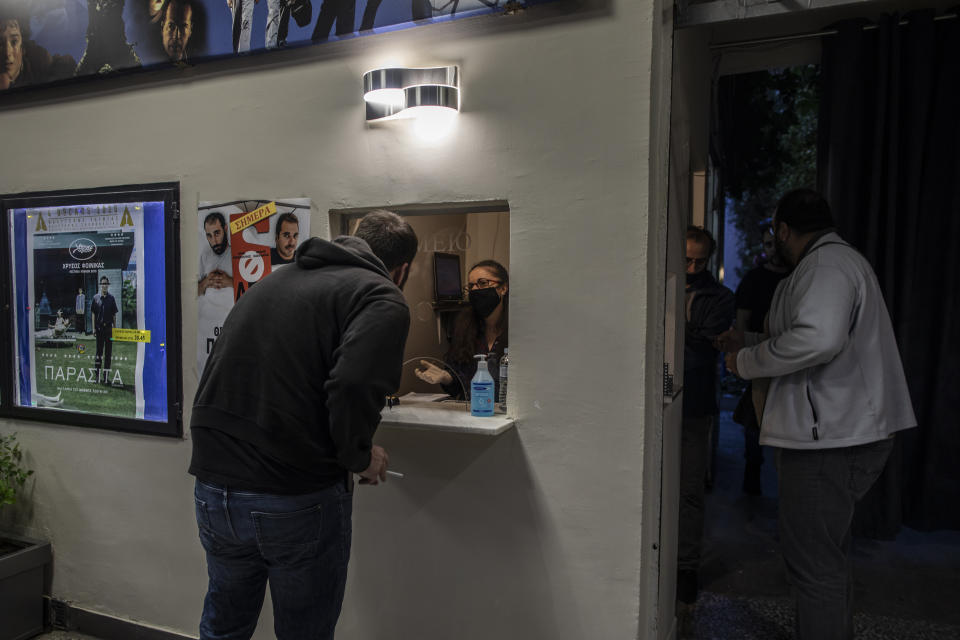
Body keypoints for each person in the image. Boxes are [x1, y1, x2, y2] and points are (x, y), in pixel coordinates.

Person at [189, 209, 417, 640]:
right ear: (402, 269)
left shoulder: (276, 280)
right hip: (291, 493)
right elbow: (351, 383)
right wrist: (360, 456)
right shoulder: (381, 295)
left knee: (224, 627)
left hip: (213, 486)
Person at [717, 189, 917, 640]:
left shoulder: (827, 266)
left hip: (828, 439)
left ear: (783, 230)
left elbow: (819, 340)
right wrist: (745, 345)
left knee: (813, 567)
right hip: (835, 433)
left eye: (775, 233)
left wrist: (746, 362)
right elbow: (803, 338)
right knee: (824, 561)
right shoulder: (830, 264)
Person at [677, 225, 734, 609]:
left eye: (700, 261)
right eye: (687, 260)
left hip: (694, 402)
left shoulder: (719, 296)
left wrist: (666, 321)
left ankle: (685, 570)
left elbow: (702, 344)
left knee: (689, 491)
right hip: (656, 399)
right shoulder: (660, 284)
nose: (694, 267)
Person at [732, 227, 788, 495]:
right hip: (759, 355)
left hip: (788, 359)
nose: (773, 249)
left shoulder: (797, 277)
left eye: (776, 243)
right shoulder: (755, 279)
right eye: (768, 244)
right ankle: (752, 477)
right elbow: (742, 320)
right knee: (755, 421)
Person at [415, 260, 508, 401]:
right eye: (471, 286)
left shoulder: (518, 329)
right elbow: (460, 386)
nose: (475, 290)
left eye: (483, 283)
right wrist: (447, 378)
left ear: (503, 288)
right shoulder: (464, 328)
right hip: (474, 412)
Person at [0, 14, 75, 90]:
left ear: (23, 47)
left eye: (14, 42)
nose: (7, 52)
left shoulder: (40, 60)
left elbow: (67, 63)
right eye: (0, 43)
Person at [198, 212, 233, 296]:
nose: (214, 241)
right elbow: (191, 293)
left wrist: (231, 282)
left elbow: (253, 290)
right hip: (207, 307)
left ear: (225, 229)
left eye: (217, 233)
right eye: (209, 235)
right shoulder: (205, 255)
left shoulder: (237, 253)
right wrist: (205, 282)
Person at [91, 276, 119, 384]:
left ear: (108, 285)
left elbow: (114, 315)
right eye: (103, 283)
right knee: (99, 353)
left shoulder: (111, 298)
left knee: (108, 354)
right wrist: (93, 328)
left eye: (106, 283)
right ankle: (97, 377)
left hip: (108, 329)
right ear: (100, 285)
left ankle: (106, 377)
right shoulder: (95, 298)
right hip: (99, 329)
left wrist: (115, 329)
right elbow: (93, 314)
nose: (104, 285)